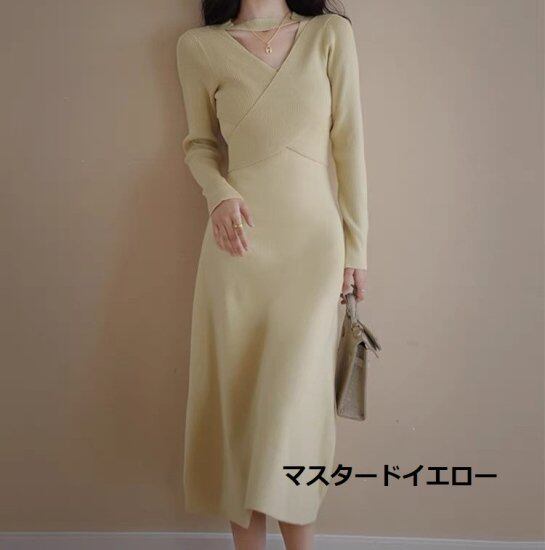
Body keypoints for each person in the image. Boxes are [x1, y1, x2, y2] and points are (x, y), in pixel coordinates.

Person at [176, 0, 369, 547]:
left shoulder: (329, 34)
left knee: (294, 409)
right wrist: (219, 195)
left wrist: (357, 250)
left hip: (312, 251)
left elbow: (350, 144)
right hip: (237, 248)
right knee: (238, 405)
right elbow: (199, 145)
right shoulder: (199, 46)